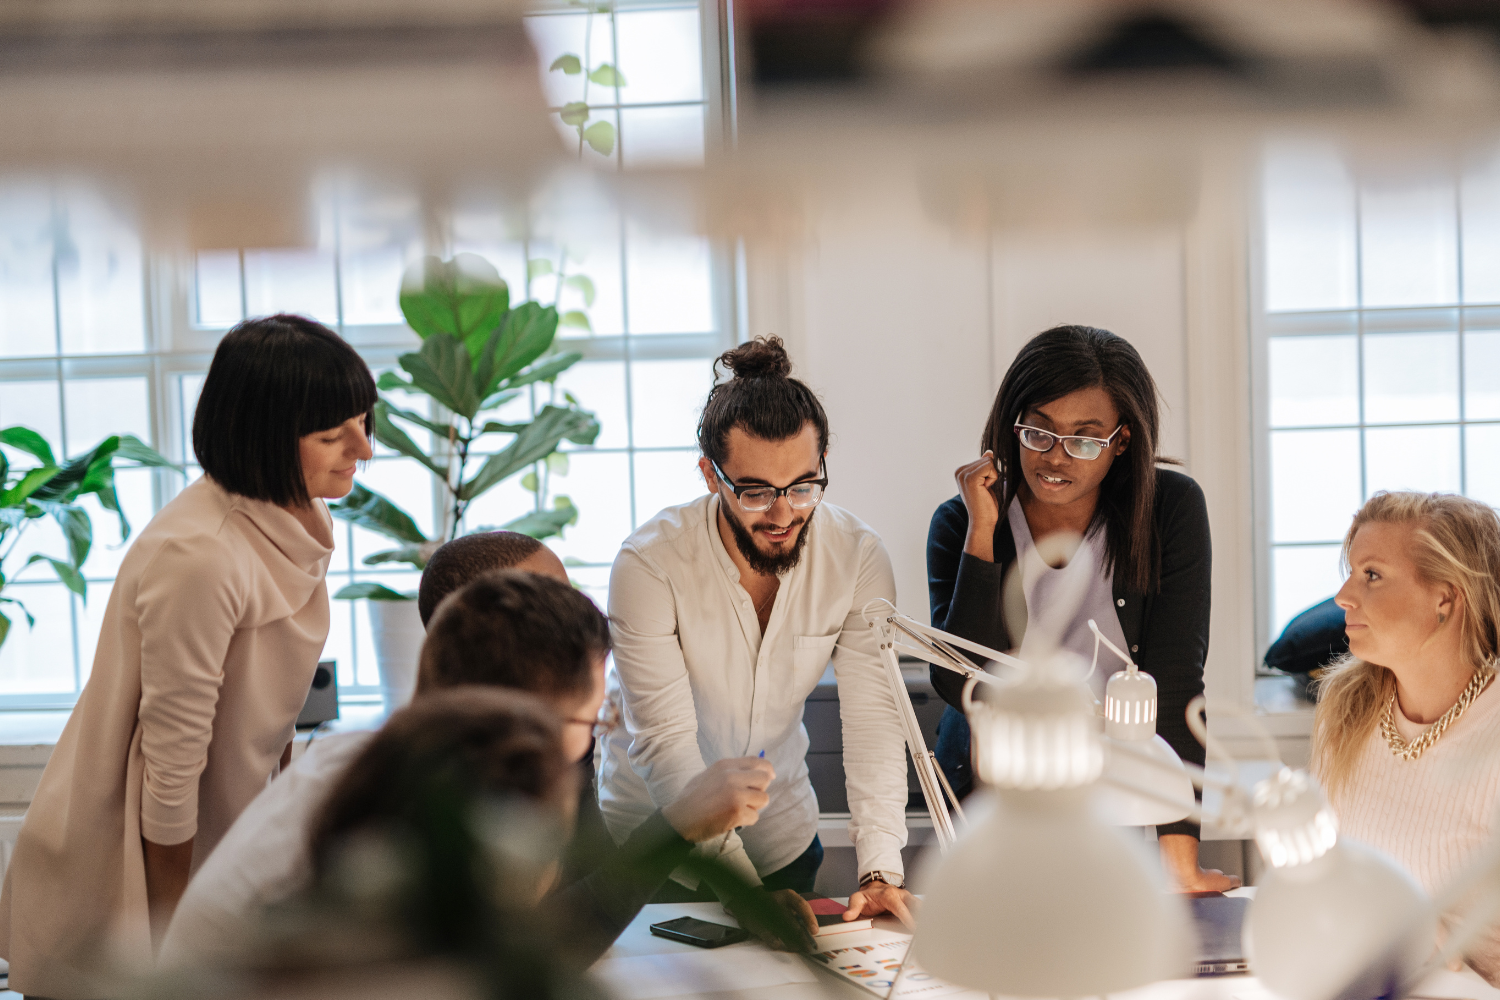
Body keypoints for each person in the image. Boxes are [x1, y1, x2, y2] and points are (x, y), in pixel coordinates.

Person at [0, 315, 375, 998]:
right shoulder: (202, 555)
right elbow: (172, 766)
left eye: (362, 421)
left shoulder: (297, 518)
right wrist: (172, 939)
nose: (363, 449)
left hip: (215, 850)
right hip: (127, 869)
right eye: (331, 435)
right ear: (263, 436)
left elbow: (269, 714)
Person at [160, 549, 773, 967]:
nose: (590, 739)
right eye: (591, 720)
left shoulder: (399, 755)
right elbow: (538, 948)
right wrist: (676, 826)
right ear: (527, 710)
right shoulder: (422, 804)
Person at [599, 336, 917, 928]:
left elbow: (875, 718)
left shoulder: (857, 556)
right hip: (658, 847)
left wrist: (880, 869)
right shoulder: (649, 564)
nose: (782, 514)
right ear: (709, 474)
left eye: (803, 486)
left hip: (780, 838)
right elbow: (665, 741)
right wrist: (741, 892)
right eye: (755, 492)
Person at [927, 324, 1235, 892]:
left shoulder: (1169, 510)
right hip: (994, 796)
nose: (1056, 457)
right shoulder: (961, 521)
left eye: (1085, 440)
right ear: (1011, 425)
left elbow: (1173, 682)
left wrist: (1180, 862)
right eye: (1038, 433)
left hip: (1118, 792)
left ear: (1121, 441)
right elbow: (957, 683)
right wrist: (982, 532)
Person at [1315, 491, 1500, 984]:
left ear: (1445, 598)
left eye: (1372, 575)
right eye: (1351, 573)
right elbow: (1324, 871)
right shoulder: (1345, 711)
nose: (1343, 597)